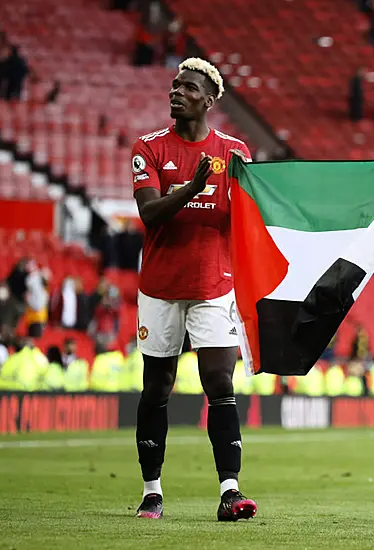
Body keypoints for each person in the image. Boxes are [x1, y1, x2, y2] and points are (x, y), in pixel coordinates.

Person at [131, 57, 256, 521]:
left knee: (219, 381)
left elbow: (249, 215)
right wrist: (196, 185)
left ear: (208, 100)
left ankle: (230, 490)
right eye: (174, 85)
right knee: (157, 386)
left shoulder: (235, 151)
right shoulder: (147, 148)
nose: (175, 92)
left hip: (213, 284)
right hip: (161, 286)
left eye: (187, 88)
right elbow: (151, 213)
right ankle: (152, 490)